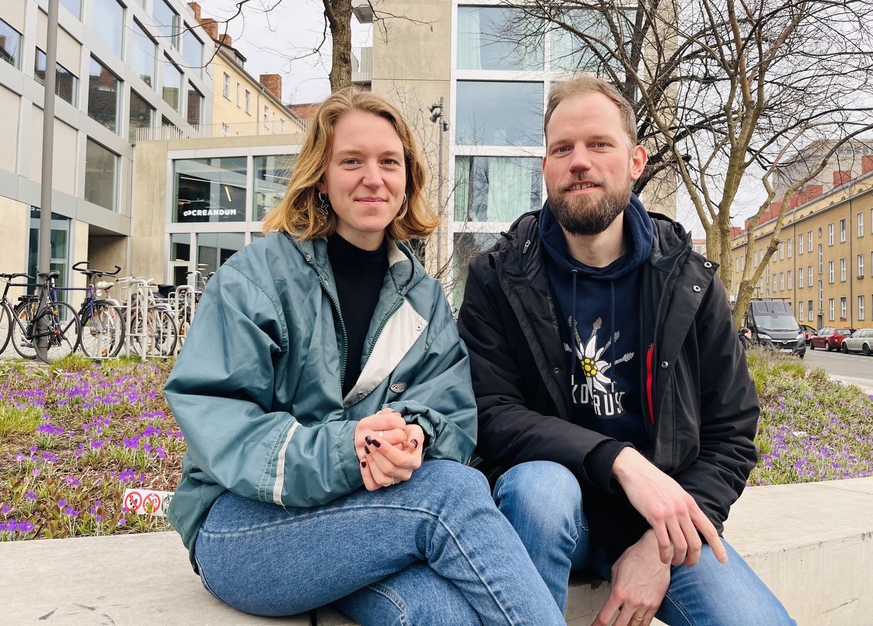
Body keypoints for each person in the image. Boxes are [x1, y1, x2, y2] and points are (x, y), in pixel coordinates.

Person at [163, 88, 565, 626]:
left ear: (407, 179)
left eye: (389, 162)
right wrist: (348, 449)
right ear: (321, 176)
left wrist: (414, 438)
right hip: (242, 526)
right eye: (351, 161)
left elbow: (451, 416)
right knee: (453, 492)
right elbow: (221, 418)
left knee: (441, 614)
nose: (372, 177)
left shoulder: (423, 298)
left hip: (363, 521)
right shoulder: (255, 279)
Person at [457, 74, 795, 626]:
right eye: (561, 148)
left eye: (599, 145)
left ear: (635, 161)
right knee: (541, 487)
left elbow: (732, 429)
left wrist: (662, 548)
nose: (579, 162)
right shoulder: (498, 277)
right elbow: (491, 414)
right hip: (546, 512)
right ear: (544, 167)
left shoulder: (688, 280)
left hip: (659, 524)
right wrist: (619, 460)